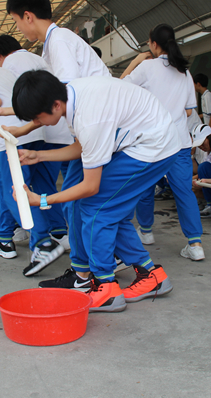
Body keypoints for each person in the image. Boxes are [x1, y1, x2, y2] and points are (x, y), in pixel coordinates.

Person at [11, 70, 179, 312]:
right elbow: (84, 146)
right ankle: (151, 275)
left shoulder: (88, 117)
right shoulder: (73, 95)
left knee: (95, 209)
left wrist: (42, 200)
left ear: (55, 105)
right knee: (105, 210)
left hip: (153, 147)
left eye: (37, 118)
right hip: (143, 139)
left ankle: (105, 287)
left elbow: (91, 187)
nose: (37, 124)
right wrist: (39, 156)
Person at [6, 0, 110, 289]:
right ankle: (85, 268)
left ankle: (88, 272)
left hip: (98, 131)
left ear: (27, 16)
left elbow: (57, 99)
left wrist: (25, 128)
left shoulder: (59, 41)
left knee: (81, 203)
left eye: (15, 21)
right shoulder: (55, 42)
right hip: (92, 131)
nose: (19, 28)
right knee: (82, 205)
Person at [121, 24, 204, 261]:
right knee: (184, 191)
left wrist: (135, 61)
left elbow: (119, 87)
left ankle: (146, 232)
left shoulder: (146, 67)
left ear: (154, 44)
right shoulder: (184, 73)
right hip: (178, 141)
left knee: (144, 188)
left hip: (150, 141)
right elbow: (189, 112)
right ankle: (195, 244)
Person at [0, 34, 72, 247]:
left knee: (14, 189)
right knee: (45, 185)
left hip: (28, 134)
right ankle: (59, 232)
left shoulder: (10, 64)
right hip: (53, 133)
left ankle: (41, 240)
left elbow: (31, 101)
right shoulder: (38, 60)